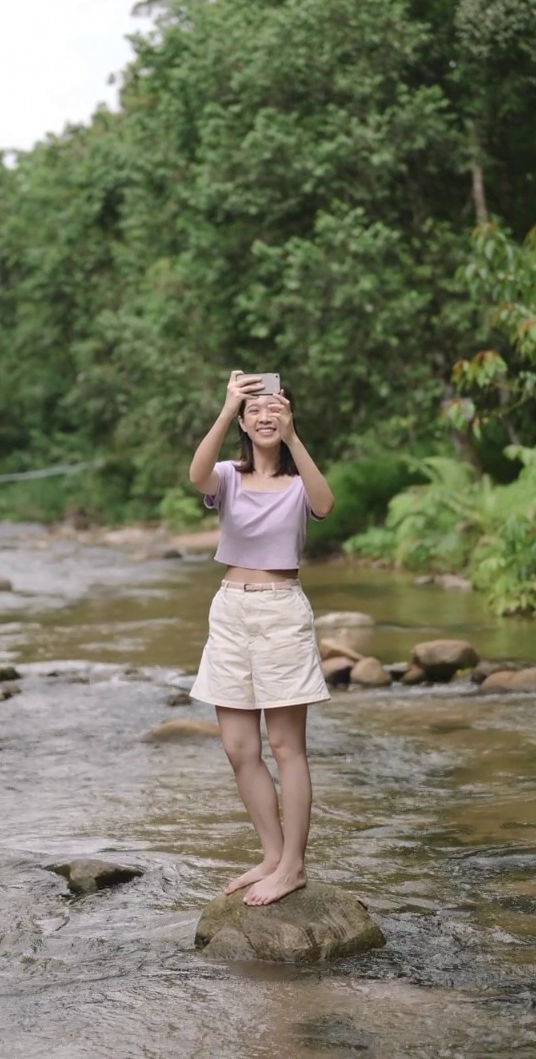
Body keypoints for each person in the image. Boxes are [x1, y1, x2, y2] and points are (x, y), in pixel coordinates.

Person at [188, 370, 335, 906]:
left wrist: (294, 439)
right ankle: (272, 855)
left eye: (276, 408)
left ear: (289, 415)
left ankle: (294, 866)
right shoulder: (227, 475)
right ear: (244, 424)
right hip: (229, 611)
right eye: (256, 411)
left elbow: (325, 504)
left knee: (285, 746)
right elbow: (195, 473)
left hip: (281, 612)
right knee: (239, 747)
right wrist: (227, 406)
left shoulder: (299, 483)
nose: (265, 415)